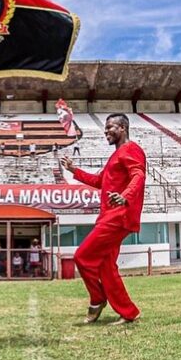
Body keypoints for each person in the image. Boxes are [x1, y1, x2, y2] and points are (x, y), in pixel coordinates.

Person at [61, 113, 145, 325]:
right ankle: (129, 313)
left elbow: (139, 175)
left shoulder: (130, 149)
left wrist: (125, 196)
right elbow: (100, 182)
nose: (106, 131)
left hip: (118, 216)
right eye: (105, 127)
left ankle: (98, 299)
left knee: (82, 256)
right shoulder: (116, 156)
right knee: (107, 267)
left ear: (123, 128)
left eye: (110, 127)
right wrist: (74, 170)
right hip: (109, 215)